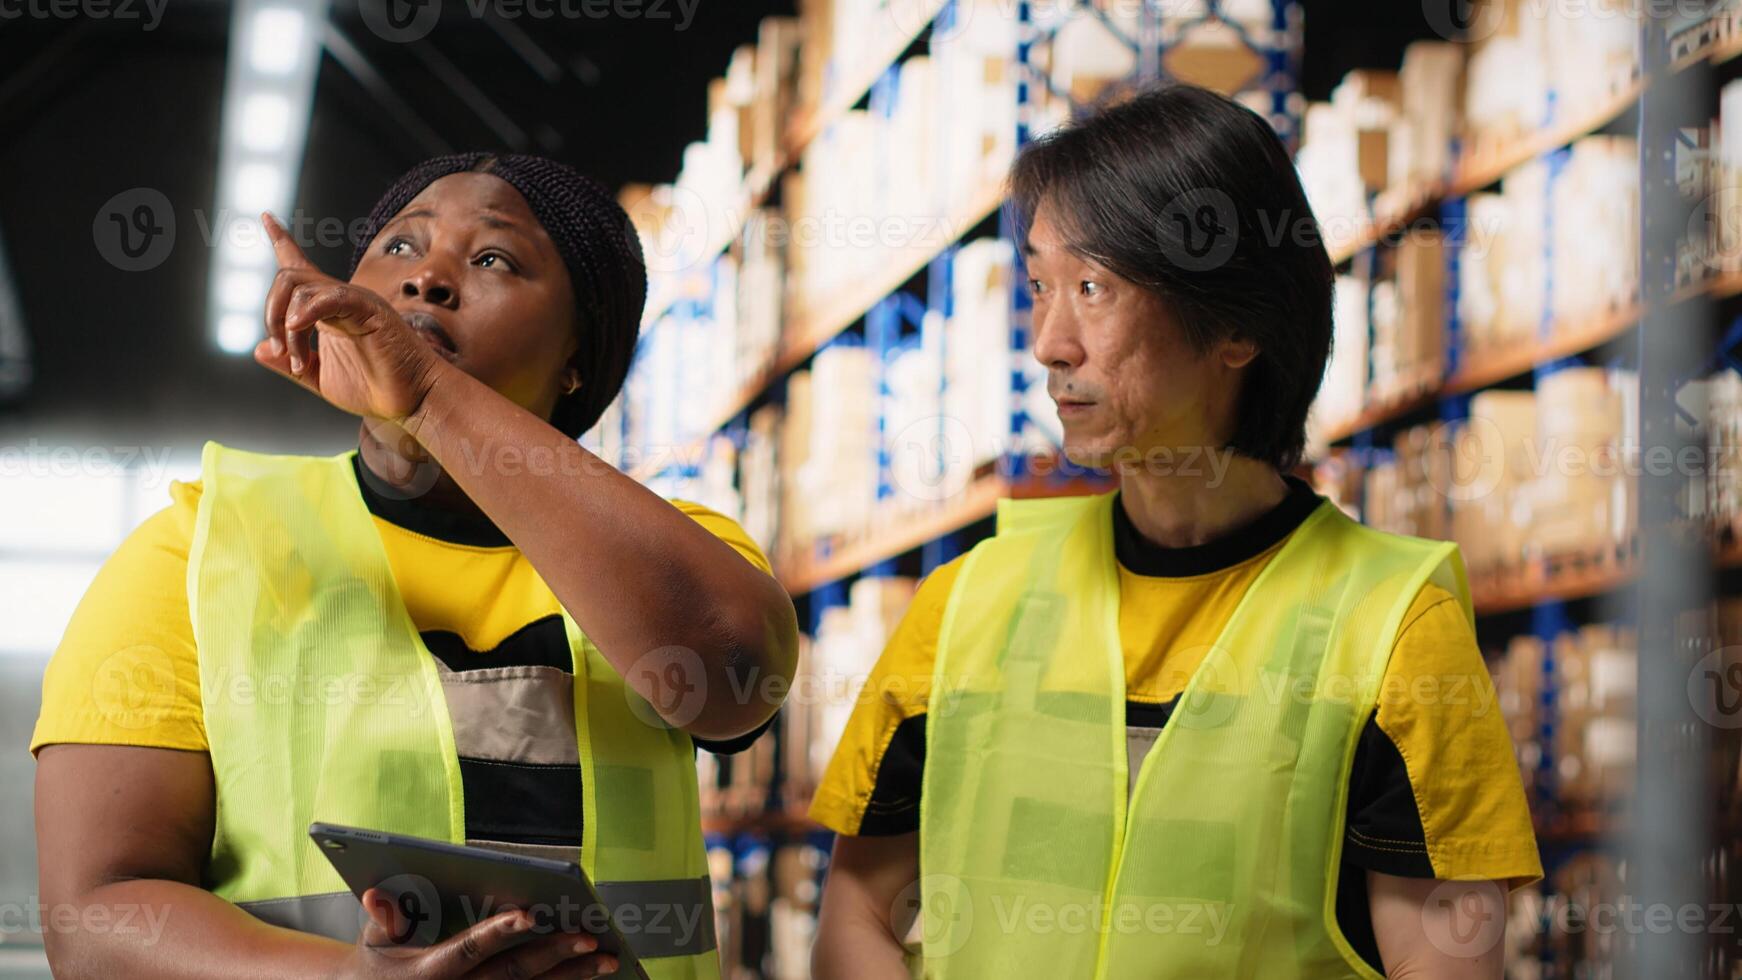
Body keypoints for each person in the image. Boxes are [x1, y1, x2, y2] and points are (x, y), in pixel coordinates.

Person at [809, 85, 1541, 979]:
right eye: (1040, 286)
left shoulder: (1394, 630)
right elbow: (855, 919)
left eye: (1092, 288)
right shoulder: (965, 607)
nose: (1050, 340)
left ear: (1236, 324)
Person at [32, 153, 798, 980]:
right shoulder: (197, 547)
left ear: (581, 353)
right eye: (399, 248)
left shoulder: (676, 546)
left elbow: (730, 672)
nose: (427, 280)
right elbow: (96, 915)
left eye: (493, 259)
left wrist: (428, 395)